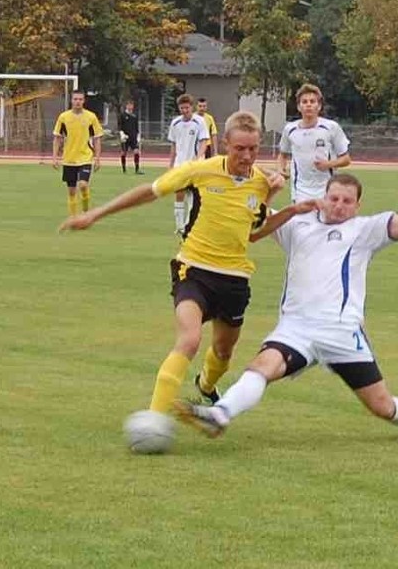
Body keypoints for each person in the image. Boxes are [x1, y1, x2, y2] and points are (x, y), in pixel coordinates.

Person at [175, 143, 398, 439]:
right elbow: (253, 223)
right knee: (261, 367)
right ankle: (220, 414)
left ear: (358, 206)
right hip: (296, 328)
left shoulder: (365, 229)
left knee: (381, 406)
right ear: (324, 197)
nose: (339, 205)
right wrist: (268, 188)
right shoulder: (298, 223)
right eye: (334, 198)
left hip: (341, 331)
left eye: (347, 201)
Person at [59, 111, 293, 425]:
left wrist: (276, 197)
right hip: (193, 268)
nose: (247, 156)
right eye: (240, 149)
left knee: (223, 352)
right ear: (225, 144)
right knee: (189, 339)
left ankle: (206, 385)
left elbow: (252, 232)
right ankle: (154, 419)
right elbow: (149, 191)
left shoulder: (263, 182)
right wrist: (94, 215)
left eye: (253, 149)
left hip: (235, 277)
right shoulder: (200, 170)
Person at [277, 83, 352, 202]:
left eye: (312, 101)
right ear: (299, 106)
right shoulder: (290, 129)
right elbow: (283, 154)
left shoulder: (331, 127)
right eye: (304, 102)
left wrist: (328, 164)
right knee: (302, 220)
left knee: (325, 220)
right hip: (300, 190)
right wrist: (281, 169)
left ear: (319, 106)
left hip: (326, 189)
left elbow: (346, 159)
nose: (308, 105)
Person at [52, 89, 103, 215]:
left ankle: (86, 211)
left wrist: (97, 158)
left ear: (84, 101)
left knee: (83, 185)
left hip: (85, 157)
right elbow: (57, 138)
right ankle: (73, 218)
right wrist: (54, 157)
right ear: (71, 100)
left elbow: (97, 139)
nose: (78, 102)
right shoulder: (63, 117)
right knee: (71, 191)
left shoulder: (91, 117)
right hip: (69, 159)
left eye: (80, 99)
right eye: (75, 99)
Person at [168, 93, 210, 233]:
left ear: (191, 107)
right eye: (182, 108)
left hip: (195, 165)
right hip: (180, 164)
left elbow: (204, 141)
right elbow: (173, 145)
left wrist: (198, 158)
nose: (184, 110)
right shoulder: (175, 123)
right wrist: (170, 165)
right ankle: (179, 225)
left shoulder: (199, 122)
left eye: (186, 108)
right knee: (179, 192)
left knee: (194, 194)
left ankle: (189, 223)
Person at [118, 100, 143, 175]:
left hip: (133, 137)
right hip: (125, 137)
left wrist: (138, 135)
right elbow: (120, 126)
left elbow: (136, 127)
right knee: (123, 153)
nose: (130, 107)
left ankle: (137, 169)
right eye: (129, 105)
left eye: (131, 105)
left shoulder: (134, 116)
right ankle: (124, 169)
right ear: (126, 106)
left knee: (136, 151)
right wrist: (122, 134)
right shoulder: (122, 115)